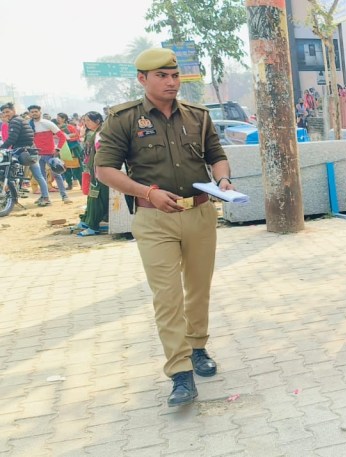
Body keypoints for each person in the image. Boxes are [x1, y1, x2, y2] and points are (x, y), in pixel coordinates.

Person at [94, 48, 233, 407]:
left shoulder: (198, 116)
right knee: (167, 296)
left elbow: (216, 156)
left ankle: (197, 347)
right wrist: (148, 193)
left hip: (200, 213)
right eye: (162, 76)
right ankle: (180, 371)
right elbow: (105, 170)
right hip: (154, 219)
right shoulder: (123, 119)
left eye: (175, 75)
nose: (171, 82)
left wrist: (223, 179)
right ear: (142, 79)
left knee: (198, 288)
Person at [1, 102, 51, 206]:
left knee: (9, 171)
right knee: (38, 176)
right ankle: (45, 197)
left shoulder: (14, 121)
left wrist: (2, 147)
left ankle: (12, 196)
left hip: (24, 152)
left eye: (7, 111)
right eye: (3, 112)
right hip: (30, 150)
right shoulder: (20, 119)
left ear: (13, 111)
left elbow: (12, 139)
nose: (6, 114)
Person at [27, 105, 70, 204]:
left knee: (57, 175)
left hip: (50, 154)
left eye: (36, 111)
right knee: (41, 177)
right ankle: (44, 197)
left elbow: (62, 137)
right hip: (37, 155)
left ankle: (64, 196)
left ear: (40, 112)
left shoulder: (47, 123)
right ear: (29, 113)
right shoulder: (29, 125)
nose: (34, 113)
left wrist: (58, 149)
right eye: (32, 112)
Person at [77, 112, 108, 237]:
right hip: (94, 169)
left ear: (98, 121)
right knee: (93, 196)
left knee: (96, 197)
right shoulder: (94, 133)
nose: (86, 123)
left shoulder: (101, 133)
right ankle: (87, 221)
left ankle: (93, 225)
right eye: (85, 121)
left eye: (88, 120)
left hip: (101, 170)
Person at [55, 113, 83, 190]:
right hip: (62, 149)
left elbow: (76, 135)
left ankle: (82, 184)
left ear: (64, 119)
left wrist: (66, 136)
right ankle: (69, 184)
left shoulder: (70, 127)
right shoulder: (56, 128)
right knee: (65, 167)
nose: (57, 119)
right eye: (57, 118)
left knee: (77, 167)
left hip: (72, 149)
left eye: (59, 118)